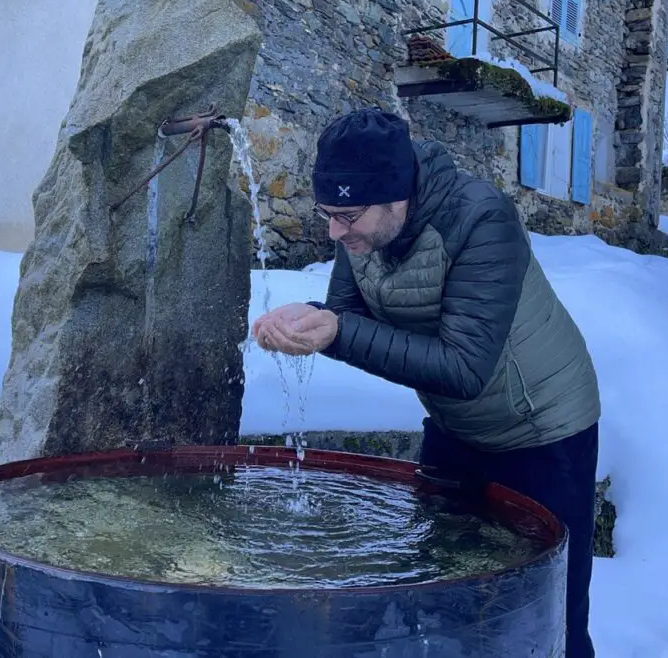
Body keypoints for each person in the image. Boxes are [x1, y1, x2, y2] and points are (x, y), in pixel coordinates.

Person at [253, 107, 601, 658]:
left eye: (347, 216)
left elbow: (464, 368)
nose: (334, 232)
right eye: (326, 214)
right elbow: (347, 315)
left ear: (397, 197)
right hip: (455, 424)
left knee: (547, 605)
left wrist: (338, 332)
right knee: (443, 582)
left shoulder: (482, 218)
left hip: (543, 428)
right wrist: (308, 323)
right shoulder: (361, 232)